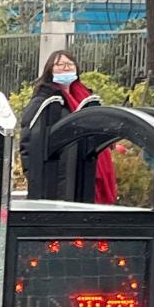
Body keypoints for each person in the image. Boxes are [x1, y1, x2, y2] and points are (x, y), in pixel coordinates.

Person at [19, 49, 117, 204]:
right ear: (50, 70)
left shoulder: (86, 99)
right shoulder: (44, 101)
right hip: (57, 177)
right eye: (59, 64)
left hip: (84, 174)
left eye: (70, 64)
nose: (66, 68)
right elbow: (27, 138)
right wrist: (33, 174)